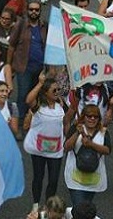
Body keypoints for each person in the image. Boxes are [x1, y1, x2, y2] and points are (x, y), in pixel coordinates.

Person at [24, 77, 69, 212]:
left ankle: (48, 207)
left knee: (54, 180)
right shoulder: (38, 106)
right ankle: (36, 204)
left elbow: (67, 120)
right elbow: (28, 100)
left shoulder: (61, 106)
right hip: (38, 149)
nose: (57, 92)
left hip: (55, 150)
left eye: (58, 89)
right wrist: (40, 83)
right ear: (45, 92)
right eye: (54, 90)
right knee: (38, 177)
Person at [8, 1, 48, 126]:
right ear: (27, 10)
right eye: (31, 9)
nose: (34, 12)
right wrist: (8, 65)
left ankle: (31, 121)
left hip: (40, 69)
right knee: (23, 96)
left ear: (40, 11)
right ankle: (18, 124)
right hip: (24, 67)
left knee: (35, 97)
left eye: (36, 10)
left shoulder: (44, 26)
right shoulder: (20, 25)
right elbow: (11, 46)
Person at [64, 104, 110, 207]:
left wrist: (91, 144)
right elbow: (66, 147)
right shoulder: (75, 128)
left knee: (86, 207)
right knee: (79, 207)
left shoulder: (103, 131)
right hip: (74, 178)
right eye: (89, 116)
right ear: (83, 117)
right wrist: (77, 133)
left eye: (95, 116)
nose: (92, 119)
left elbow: (107, 150)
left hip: (93, 178)